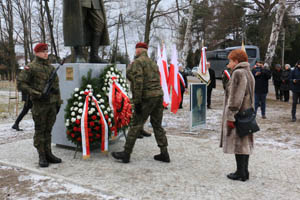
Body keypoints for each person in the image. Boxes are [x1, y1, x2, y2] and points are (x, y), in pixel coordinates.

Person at [112, 42, 169, 163]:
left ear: (139, 50)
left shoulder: (138, 62)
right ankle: (164, 153)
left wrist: (137, 101)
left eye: (136, 49)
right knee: (157, 125)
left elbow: (138, 82)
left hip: (147, 97)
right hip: (158, 96)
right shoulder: (153, 63)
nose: (135, 51)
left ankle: (126, 153)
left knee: (136, 124)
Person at [17, 43, 62, 168]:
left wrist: (58, 102)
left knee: (48, 130)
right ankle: (41, 155)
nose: (46, 53)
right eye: (43, 51)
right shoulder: (31, 67)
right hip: (39, 105)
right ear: (36, 53)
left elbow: (56, 88)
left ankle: (48, 153)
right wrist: (36, 93)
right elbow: (21, 84)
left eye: (46, 51)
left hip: (52, 104)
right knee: (40, 131)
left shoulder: (51, 68)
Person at [220, 49, 255, 182]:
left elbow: (235, 98)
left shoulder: (238, 73)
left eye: (230, 60)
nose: (228, 63)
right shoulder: (248, 72)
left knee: (238, 144)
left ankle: (240, 172)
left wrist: (230, 116)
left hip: (238, 114)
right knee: (244, 144)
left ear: (236, 61)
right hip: (247, 113)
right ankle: (244, 171)